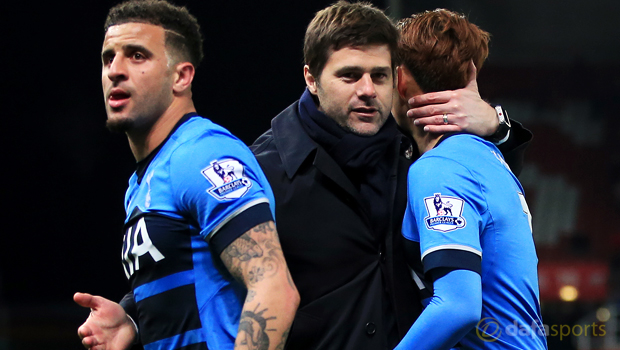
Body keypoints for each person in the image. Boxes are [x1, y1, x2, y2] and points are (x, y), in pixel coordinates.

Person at [250, 2, 532, 349]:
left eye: (379, 75)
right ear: (311, 78)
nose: (368, 89)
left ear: (397, 79)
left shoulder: (419, 149)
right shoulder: (262, 172)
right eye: (350, 75)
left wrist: (495, 124)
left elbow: (481, 194)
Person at [73, 1, 299, 349]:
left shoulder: (202, 154)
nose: (115, 70)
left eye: (136, 55)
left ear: (181, 76)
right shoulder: (142, 181)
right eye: (108, 58)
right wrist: (133, 320)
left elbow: (274, 288)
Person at [392, 9, 546, 349]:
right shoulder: (489, 156)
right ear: (471, 75)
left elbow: (457, 308)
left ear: (400, 80)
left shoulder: (439, 167)